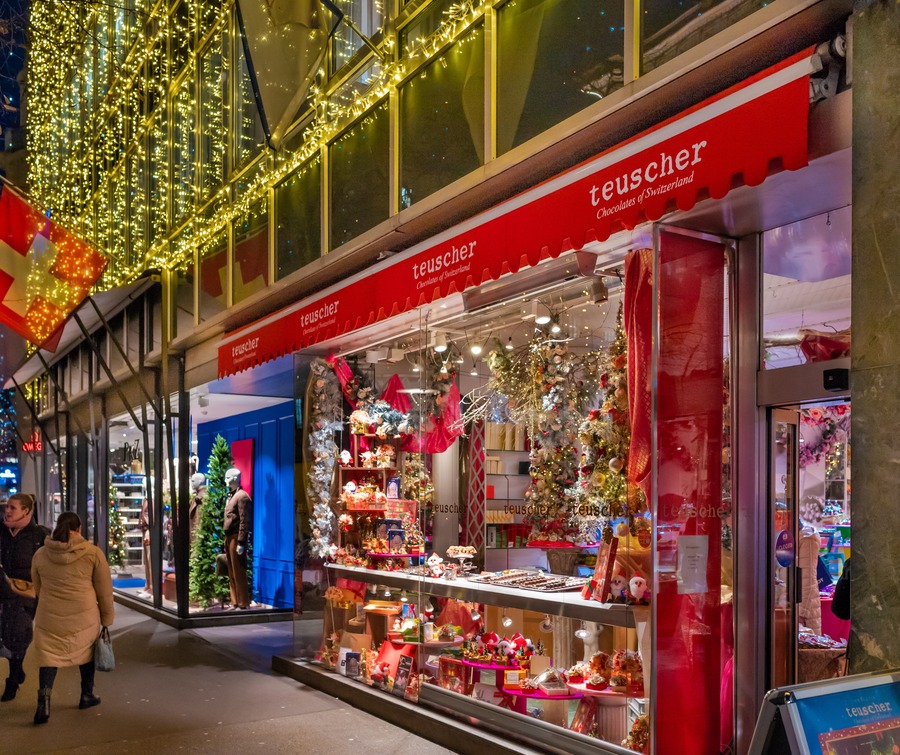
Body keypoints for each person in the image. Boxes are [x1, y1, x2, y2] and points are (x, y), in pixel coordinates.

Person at [30, 511, 114, 725]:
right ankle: (87, 695)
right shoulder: (92, 553)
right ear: (79, 530)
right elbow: (104, 591)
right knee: (86, 651)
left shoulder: (40, 554)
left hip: (49, 616)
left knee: (49, 656)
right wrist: (107, 619)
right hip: (83, 615)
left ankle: (44, 703)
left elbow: (37, 587)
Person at [0, 493, 49, 702]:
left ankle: (13, 678)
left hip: (26, 596)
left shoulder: (39, 536)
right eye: (7, 507)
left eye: (13, 508)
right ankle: (17, 669)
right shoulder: (1, 531)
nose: (7, 511)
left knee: (18, 634)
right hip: (1, 592)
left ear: (27, 511)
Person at [223, 467, 252, 609]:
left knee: (238, 570)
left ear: (235, 478)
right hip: (229, 537)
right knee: (231, 570)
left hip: (235, 537)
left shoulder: (242, 496)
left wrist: (241, 541)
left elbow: (244, 521)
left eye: (228, 478)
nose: (226, 480)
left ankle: (243, 602)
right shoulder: (231, 496)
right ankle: (234, 600)